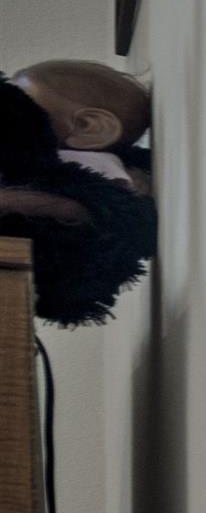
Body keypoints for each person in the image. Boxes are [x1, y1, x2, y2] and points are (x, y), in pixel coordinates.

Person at [0, 58, 158, 324]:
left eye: (24, 102)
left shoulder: (92, 167)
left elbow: (87, 210)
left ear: (88, 128)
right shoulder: (39, 164)